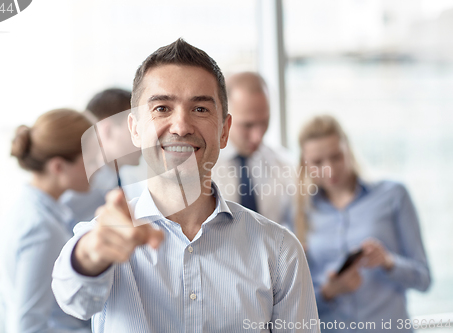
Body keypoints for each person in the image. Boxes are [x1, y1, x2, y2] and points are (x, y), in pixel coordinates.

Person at [52, 39, 320, 333]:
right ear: (136, 129)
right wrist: (91, 255)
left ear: (224, 130)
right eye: (162, 108)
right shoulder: (103, 237)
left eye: (201, 109)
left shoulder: (280, 252)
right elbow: (73, 297)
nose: (181, 126)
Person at [292, 115, 431, 332]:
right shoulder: (298, 213)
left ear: (349, 150)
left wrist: (388, 262)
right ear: (305, 163)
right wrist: (329, 291)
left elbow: (424, 279)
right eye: (318, 162)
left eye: (336, 157)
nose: (329, 169)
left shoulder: (393, 195)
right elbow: (291, 304)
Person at [0, 109, 92, 333]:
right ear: (58, 167)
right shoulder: (42, 229)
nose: (97, 165)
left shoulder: (28, 208)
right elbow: (27, 326)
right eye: (90, 157)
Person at [212, 72, 294, 224]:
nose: (258, 136)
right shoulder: (201, 168)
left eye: (264, 122)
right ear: (223, 117)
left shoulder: (284, 165)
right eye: (247, 125)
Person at [60, 88, 143, 226]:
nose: (144, 138)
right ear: (107, 130)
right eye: (135, 128)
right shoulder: (79, 187)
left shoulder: (124, 181)